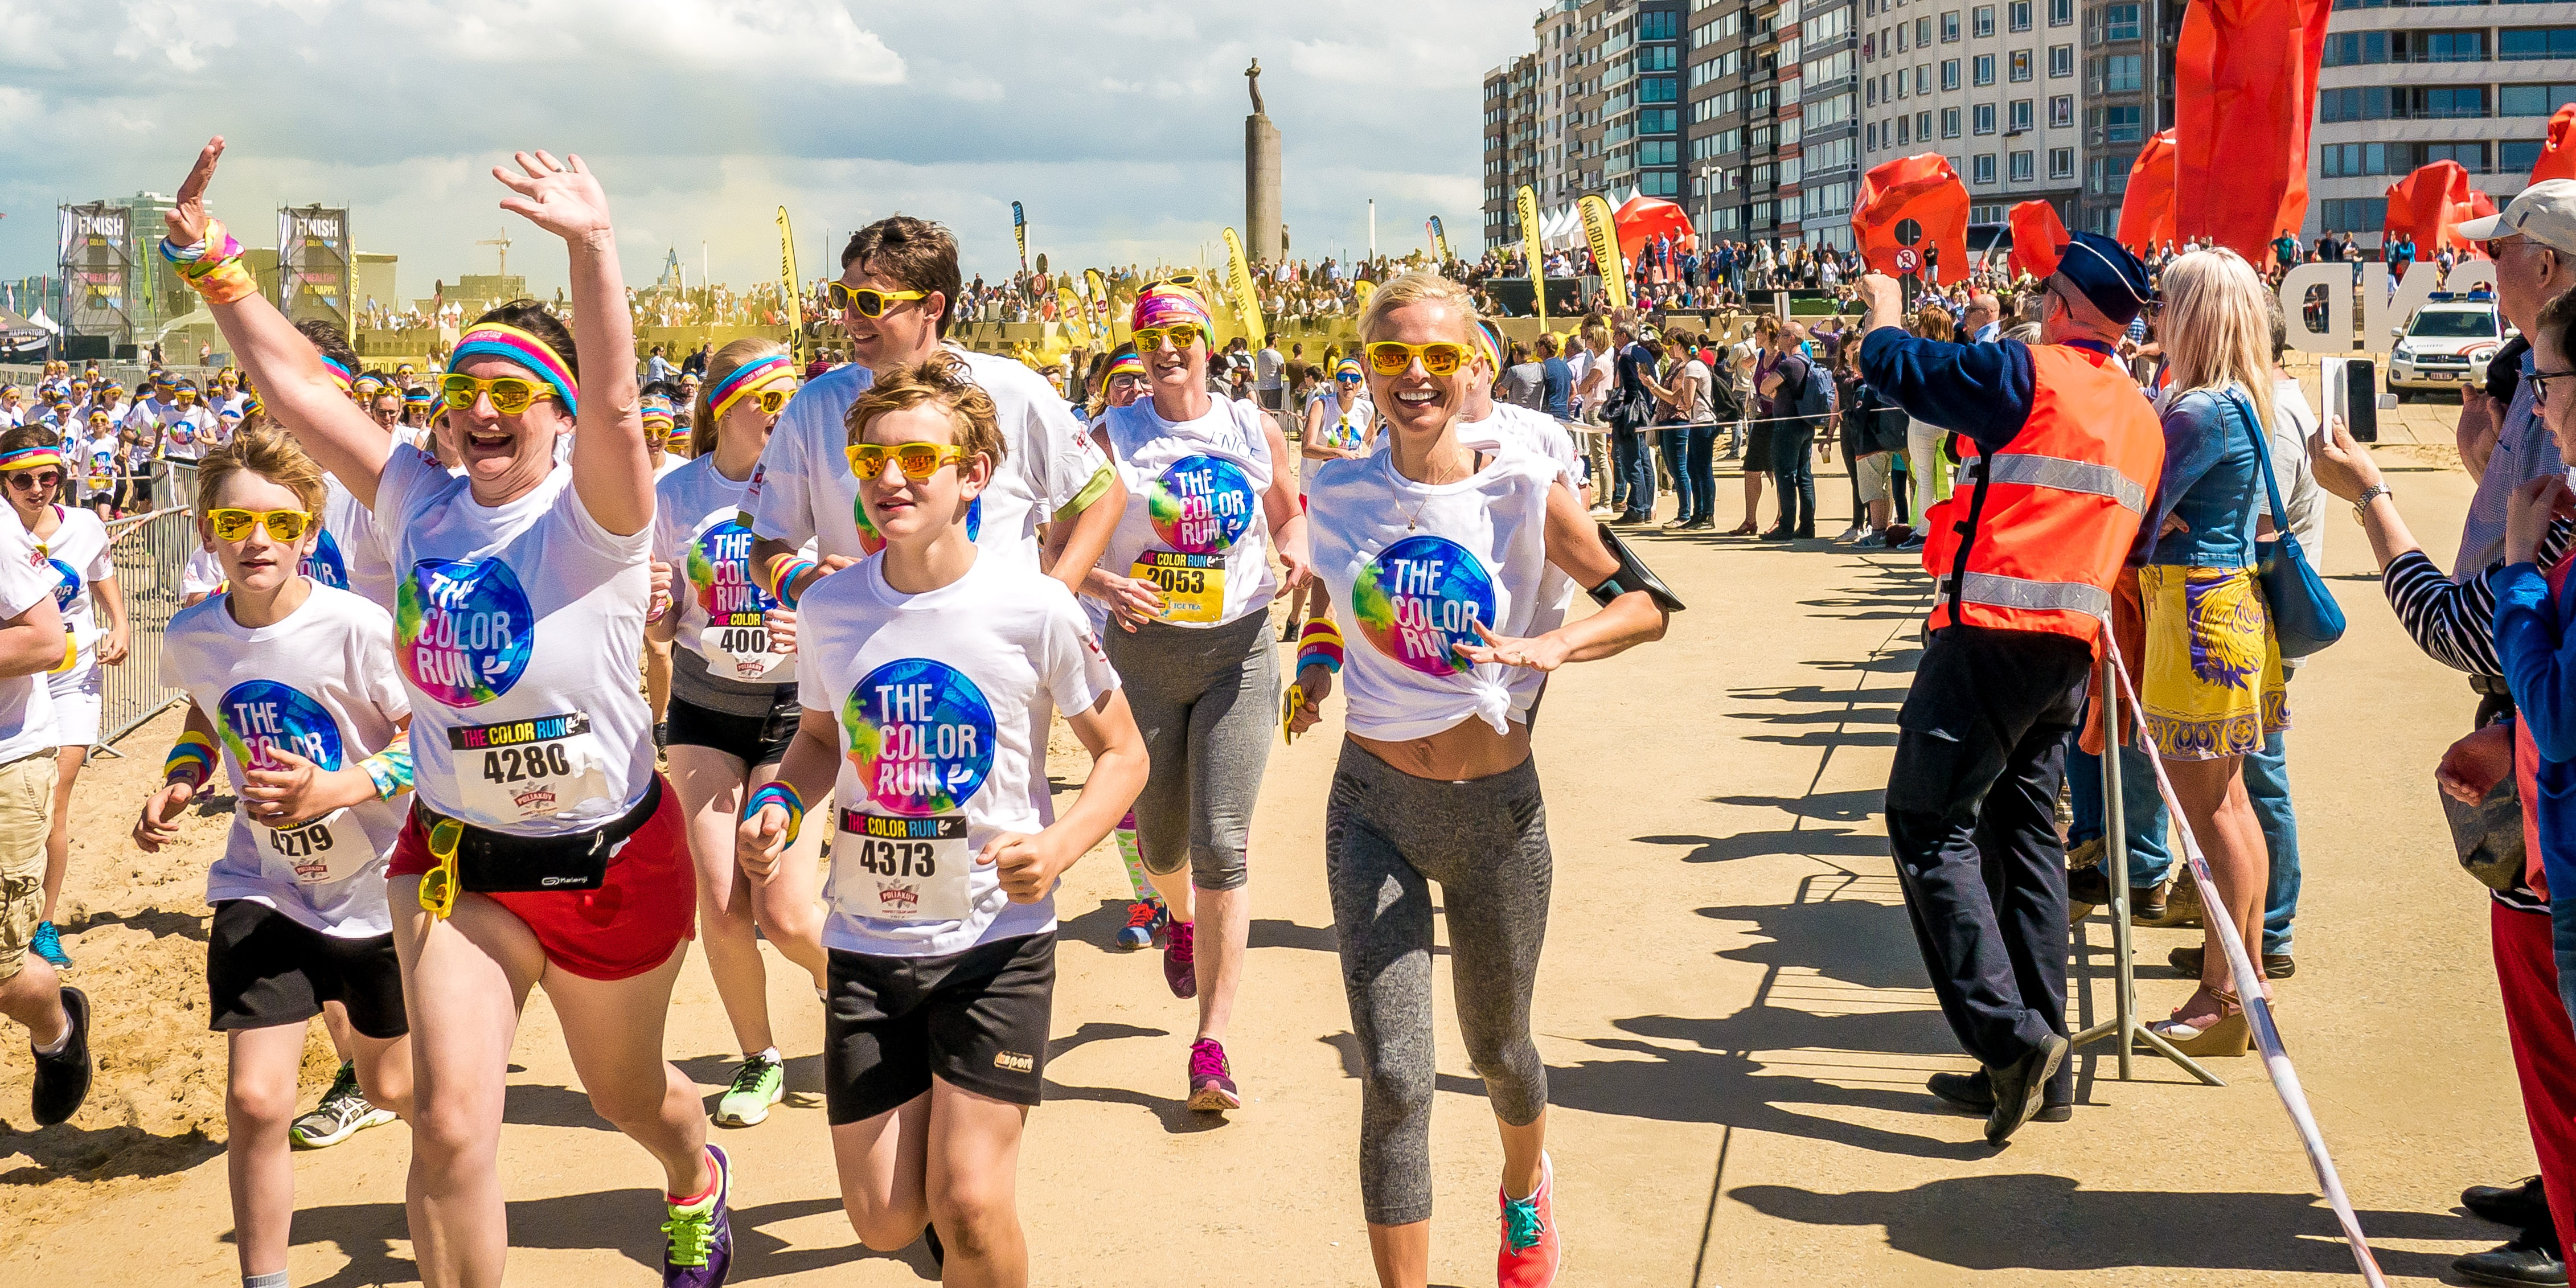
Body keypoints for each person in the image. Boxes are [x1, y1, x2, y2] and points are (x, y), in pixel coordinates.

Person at [165, 137, 736, 1285]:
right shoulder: (416, 498)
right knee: (452, 1126)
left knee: (629, 1095)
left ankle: (692, 1169)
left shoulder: (598, 515)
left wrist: (594, 244)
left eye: (511, 395)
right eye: (463, 391)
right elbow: (295, 390)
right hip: (460, 861)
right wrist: (215, 263)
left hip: (607, 860)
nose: (480, 411)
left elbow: (624, 407)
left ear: (558, 416)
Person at [1289, 270, 1673, 1287]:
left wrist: (1559, 646)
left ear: (1469, 368)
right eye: (1388, 356)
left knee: (1499, 1050)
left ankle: (1521, 1184)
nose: (1412, 376)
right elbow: (1330, 595)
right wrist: (1315, 661)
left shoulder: (1519, 489)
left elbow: (1644, 606)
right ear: (1363, 368)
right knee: (1397, 1076)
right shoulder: (1334, 491)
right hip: (1369, 806)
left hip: (1496, 816)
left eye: (1434, 356)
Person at [739, 359, 1146, 1284]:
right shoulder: (830, 607)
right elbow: (813, 740)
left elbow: (1123, 755)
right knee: (886, 1218)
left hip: (994, 941)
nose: (889, 480)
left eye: (918, 458)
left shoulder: (1033, 605)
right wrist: (775, 798)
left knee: (967, 1201)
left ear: (972, 476)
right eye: (870, 460)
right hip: (866, 941)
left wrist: (1059, 845)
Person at [1857, 232, 2165, 1140]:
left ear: (2065, 303)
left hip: (1990, 635)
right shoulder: (2141, 414)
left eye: (2044, 289)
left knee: (1926, 822)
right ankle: (2042, 1060)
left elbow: (1899, 366)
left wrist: (1882, 303)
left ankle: (2010, 1039)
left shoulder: (2033, 374)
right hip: (2067, 649)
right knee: (2024, 835)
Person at [132, 426, 417, 1288]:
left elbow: (426, 743)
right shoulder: (193, 634)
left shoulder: (358, 627)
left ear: (308, 530)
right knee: (257, 1100)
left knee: (395, 1087)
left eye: (280, 523)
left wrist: (337, 788)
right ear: (207, 529)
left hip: (375, 891)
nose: (257, 539)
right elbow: (207, 718)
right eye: (234, 520)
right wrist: (182, 780)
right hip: (265, 882)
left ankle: (431, 1153)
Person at [1088, 282, 1310, 1111]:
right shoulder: (1111, 436)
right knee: (1160, 842)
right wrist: (1106, 581)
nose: (1168, 349)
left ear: (1207, 344)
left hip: (1238, 653)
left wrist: (1294, 555)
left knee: (1222, 842)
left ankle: (1211, 1045)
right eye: (1152, 339)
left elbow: (1293, 518)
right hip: (1144, 657)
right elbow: (1058, 543)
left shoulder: (1255, 428)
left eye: (1183, 335)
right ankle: (1176, 919)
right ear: (1140, 353)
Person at [648, 339, 827, 1130]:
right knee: (721, 905)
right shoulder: (675, 493)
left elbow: (857, 582)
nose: (785, 414)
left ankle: (861, 986)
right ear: (726, 406)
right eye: (770, 399)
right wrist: (655, 609)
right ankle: (760, 1058)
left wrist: (813, 620)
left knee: (785, 911)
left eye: (793, 398)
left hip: (794, 711)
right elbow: (658, 614)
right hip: (704, 707)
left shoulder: (813, 488)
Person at [2132, 249, 2291, 1055]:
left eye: (2167, 302)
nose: (2155, 314)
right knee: (2230, 808)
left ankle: (2223, 995)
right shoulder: (2237, 399)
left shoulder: (2196, 409)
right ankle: (2241, 981)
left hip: (2193, 614)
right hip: (2224, 608)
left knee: (2210, 813)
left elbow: (2137, 511)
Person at [0, 429, 128, 973]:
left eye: (47, 477)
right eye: (22, 480)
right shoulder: (3, 532)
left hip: (71, 673)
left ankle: (43, 922)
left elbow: (101, 574)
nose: (37, 489)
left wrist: (120, 623)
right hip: (18, 674)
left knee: (55, 798)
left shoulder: (85, 525)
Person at [0, 440, 85, 1130]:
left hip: (7, 763)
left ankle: (57, 1032)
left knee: (3, 967)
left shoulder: (3, 535)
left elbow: (45, 641)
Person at [1293, 357, 1376, 633]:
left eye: (1353, 378)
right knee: (1309, 560)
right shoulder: (1322, 404)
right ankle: (1294, 618)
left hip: (1348, 493)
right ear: (1335, 381)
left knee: (1339, 558)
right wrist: (1337, 453)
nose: (1348, 383)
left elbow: (1371, 443)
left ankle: (1332, 622)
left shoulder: (1366, 409)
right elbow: (1307, 448)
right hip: (1315, 490)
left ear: (1361, 382)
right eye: (1343, 378)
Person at [1757, 322, 1824, 540]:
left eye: (1782, 335)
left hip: (1787, 425)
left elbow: (1764, 388)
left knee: (1786, 476)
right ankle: (1807, 526)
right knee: (1804, 476)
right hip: (1805, 425)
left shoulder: (1790, 364)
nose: (1778, 338)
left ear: (1792, 339)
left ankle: (1785, 526)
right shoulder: (1807, 361)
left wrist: (1774, 392)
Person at [1256, 333, 1285, 416]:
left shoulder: (1260, 353)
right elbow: (1283, 371)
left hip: (1262, 388)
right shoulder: (1277, 355)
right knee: (1273, 413)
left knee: (1264, 413)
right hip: (1275, 388)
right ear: (1274, 341)